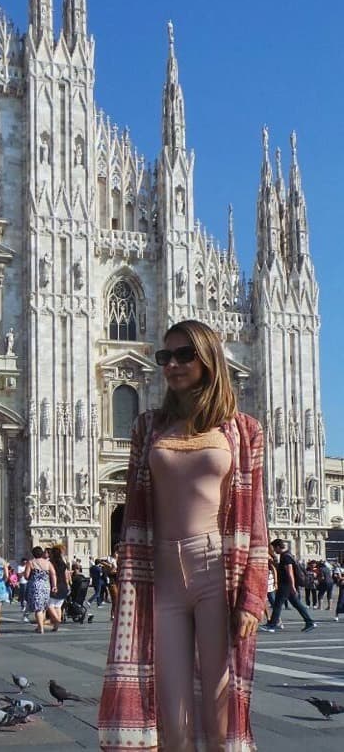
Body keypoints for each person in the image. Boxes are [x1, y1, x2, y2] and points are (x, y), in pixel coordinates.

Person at [99, 319, 268, 752]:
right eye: (164, 357)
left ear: (208, 359)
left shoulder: (243, 431)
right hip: (162, 576)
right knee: (171, 716)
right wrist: (126, 575)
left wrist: (252, 596)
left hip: (216, 572)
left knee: (219, 710)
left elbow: (256, 519)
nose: (172, 365)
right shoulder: (147, 428)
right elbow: (136, 507)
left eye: (183, 355)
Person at [262, 539, 317, 633]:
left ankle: (272, 625)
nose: (274, 551)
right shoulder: (288, 555)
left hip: (286, 584)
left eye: (275, 548)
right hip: (287, 584)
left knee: (277, 604)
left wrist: (292, 586)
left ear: (278, 547)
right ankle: (309, 622)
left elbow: (290, 572)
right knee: (297, 604)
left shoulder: (286, 557)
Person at [25, 546, 57, 634]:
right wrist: (54, 586)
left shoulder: (31, 562)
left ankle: (40, 628)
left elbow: (26, 576)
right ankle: (40, 626)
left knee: (38, 608)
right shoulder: (48, 563)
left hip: (36, 586)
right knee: (43, 607)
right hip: (46, 586)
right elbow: (53, 574)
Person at [48, 545, 71, 629]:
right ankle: (56, 626)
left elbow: (51, 574)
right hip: (63, 585)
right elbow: (66, 575)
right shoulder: (63, 563)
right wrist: (68, 585)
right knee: (58, 606)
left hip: (54, 585)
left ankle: (57, 620)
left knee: (49, 605)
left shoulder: (50, 563)